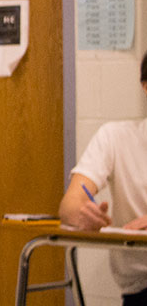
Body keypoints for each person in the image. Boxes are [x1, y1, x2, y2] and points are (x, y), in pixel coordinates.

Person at [59, 51, 147, 305]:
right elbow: (70, 204)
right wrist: (83, 215)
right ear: (145, 87)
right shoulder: (116, 137)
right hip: (141, 287)